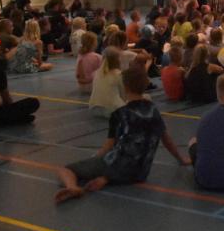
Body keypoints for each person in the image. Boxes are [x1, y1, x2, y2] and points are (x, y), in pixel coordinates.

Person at [55, 66, 189, 203]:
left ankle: (73, 187)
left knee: (65, 169)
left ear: (125, 87)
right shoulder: (153, 110)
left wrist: (95, 159)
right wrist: (181, 159)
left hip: (118, 167)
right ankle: (105, 179)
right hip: (140, 172)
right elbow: (166, 139)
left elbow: (108, 147)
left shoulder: (119, 114)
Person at [89, 47, 126, 118]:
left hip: (94, 108)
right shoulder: (118, 74)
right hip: (112, 109)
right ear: (117, 60)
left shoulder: (97, 73)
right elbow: (123, 94)